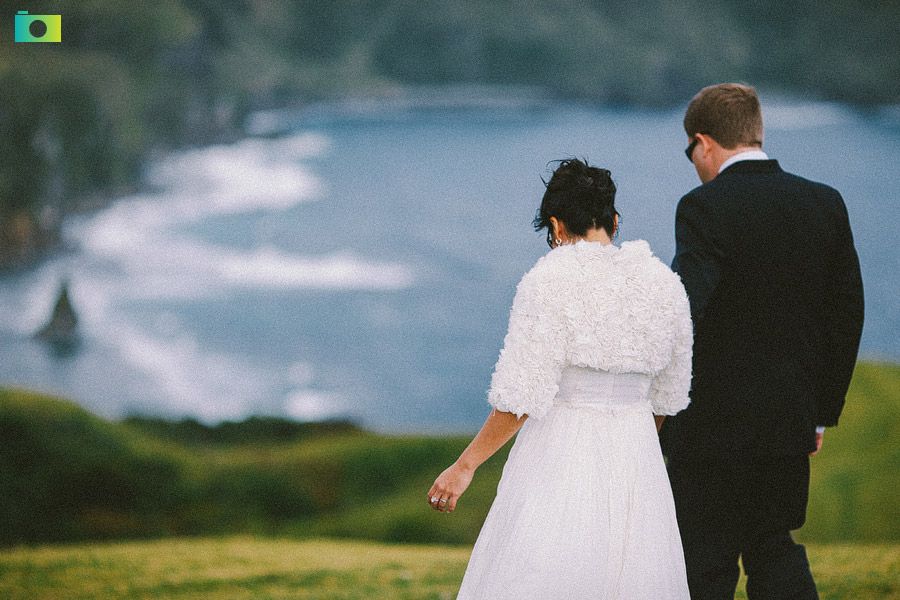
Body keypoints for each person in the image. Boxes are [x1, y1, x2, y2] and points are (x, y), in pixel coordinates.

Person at [428, 158, 693, 599]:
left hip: (560, 451)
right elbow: (669, 394)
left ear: (555, 224)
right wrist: (631, 438)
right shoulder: (664, 283)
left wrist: (464, 466)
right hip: (637, 456)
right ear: (613, 220)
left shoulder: (549, 280)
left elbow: (520, 395)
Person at [662, 83, 865, 599]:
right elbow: (848, 314)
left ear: (703, 142)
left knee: (703, 562)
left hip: (711, 428)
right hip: (788, 424)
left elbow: (685, 313)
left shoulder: (702, 207)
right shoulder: (824, 202)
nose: (693, 163)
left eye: (690, 152)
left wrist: (657, 402)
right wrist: (820, 411)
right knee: (773, 548)